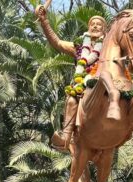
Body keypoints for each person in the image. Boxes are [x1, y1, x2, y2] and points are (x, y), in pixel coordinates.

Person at [35, 5, 107, 151]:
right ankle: (65, 138)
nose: (95, 26)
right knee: (72, 100)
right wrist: (44, 21)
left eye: (98, 24)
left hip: (106, 82)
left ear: (104, 29)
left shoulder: (109, 47)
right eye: (92, 24)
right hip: (83, 85)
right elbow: (58, 42)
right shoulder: (78, 48)